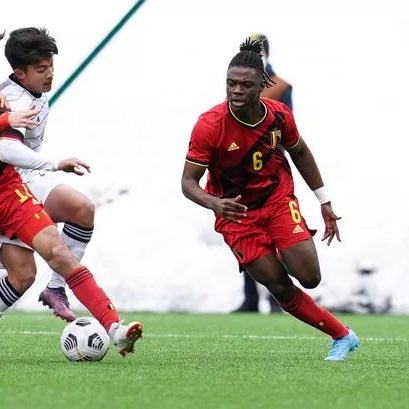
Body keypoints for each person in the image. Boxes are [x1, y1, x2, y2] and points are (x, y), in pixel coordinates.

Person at [181, 38, 359, 361]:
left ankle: (288, 241)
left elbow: (301, 152)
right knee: (278, 287)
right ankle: (342, 336)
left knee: (310, 277)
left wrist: (324, 201)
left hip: (276, 200)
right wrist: (214, 203)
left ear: (261, 85)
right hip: (236, 216)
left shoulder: (278, 116)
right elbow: (187, 183)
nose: (236, 90)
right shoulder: (209, 125)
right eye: (230, 83)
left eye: (245, 85)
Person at [0, 73, 143, 359]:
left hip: (7, 193)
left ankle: (114, 328)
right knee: (22, 274)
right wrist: (6, 122)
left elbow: (6, 147)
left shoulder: (8, 97)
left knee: (57, 253)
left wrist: (6, 122)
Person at [0, 27, 97, 322]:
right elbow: (7, 150)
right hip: (11, 182)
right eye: (41, 69)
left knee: (81, 209)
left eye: (51, 66)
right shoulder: (14, 100)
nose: (50, 74)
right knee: (21, 274)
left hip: (25, 178)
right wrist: (54, 163)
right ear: (20, 72)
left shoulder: (30, 89)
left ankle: (56, 288)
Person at [234, 33, 293, 313]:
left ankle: (277, 298)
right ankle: (251, 299)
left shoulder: (280, 86)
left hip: (270, 172)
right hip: (241, 171)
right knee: (244, 233)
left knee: (276, 236)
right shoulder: (239, 84)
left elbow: (286, 125)